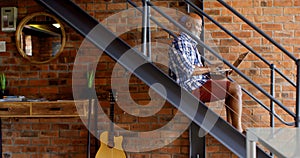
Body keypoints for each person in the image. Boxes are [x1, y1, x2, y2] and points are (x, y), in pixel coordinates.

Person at [168, 13, 243, 132]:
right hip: (190, 88)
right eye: (198, 26)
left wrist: (220, 73)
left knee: (228, 85)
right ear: (188, 24)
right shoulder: (181, 43)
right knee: (235, 88)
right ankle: (238, 130)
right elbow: (189, 71)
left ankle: (232, 127)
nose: (200, 29)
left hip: (197, 83)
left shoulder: (191, 45)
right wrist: (210, 69)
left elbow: (197, 70)